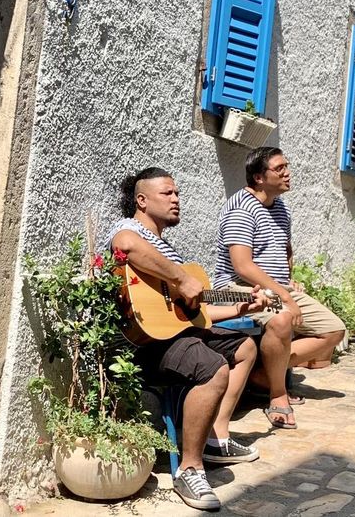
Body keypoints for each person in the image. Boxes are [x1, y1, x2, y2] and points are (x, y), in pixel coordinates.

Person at [107, 167, 268, 511]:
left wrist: (241, 306)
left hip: (176, 334)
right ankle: (189, 469)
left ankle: (214, 439)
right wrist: (181, 279)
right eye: (167, 193)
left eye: (177, 193)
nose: (176, 199)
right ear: (142, 200)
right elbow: (125, 245)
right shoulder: (130, 228)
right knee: (212, 367)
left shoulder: (166, 249)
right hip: (145, 343)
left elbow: (196, 313)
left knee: (244, 347)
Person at [214, 147, 346, 430]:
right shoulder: (241, 208)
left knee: (334, 330)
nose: (287, 173)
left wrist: (288, 280)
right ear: (259, 177)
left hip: (275, 288)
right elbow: (242, 266)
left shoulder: (281, 207)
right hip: (237, 288)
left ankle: (261, 374)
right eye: (279, 168)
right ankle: (277, 395)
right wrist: (285, 296)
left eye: (287, 166)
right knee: (282, 318)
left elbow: (286, 249)